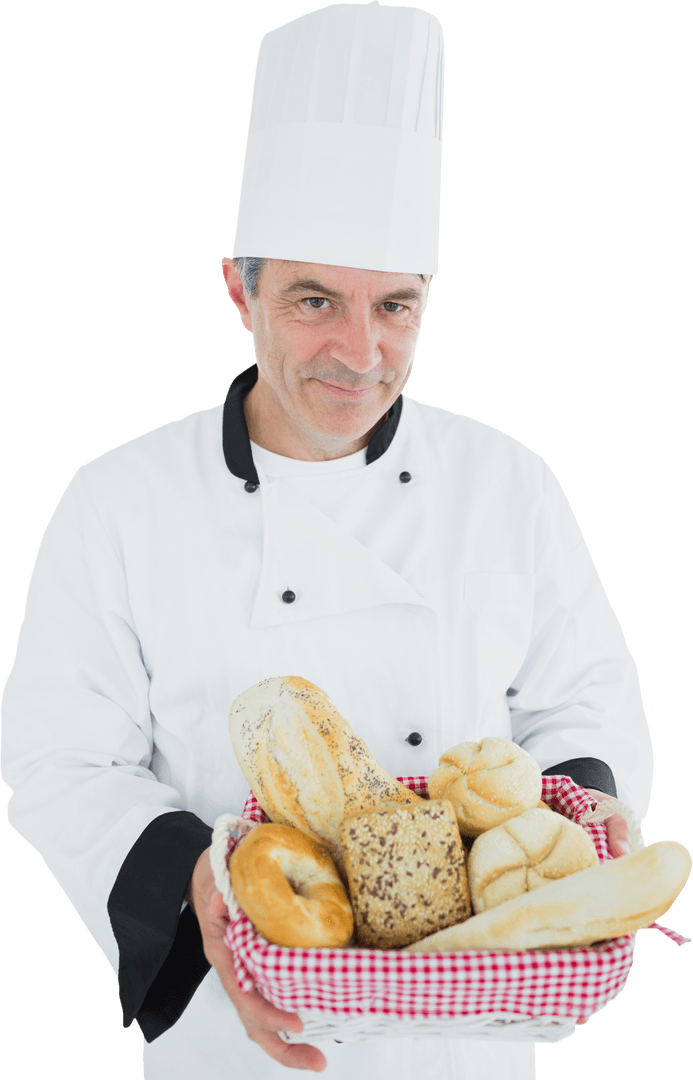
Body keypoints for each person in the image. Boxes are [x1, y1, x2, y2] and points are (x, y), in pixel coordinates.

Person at [1, 5, 652, 1079]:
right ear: (237, 289)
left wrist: (594, 824)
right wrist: (197, 887)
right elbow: (62, 758)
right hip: (238, 1040)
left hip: (473, 1045)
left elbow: (578, 702)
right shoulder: (118, 503)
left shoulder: (508, 486)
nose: (362, 353)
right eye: (314, 299)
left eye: (396, 306)